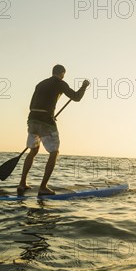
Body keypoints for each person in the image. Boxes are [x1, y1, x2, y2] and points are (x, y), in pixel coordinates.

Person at [18, 64, 89, 196]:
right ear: (62, 73)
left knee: (33, 150)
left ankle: (22, 183)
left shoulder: (40, 84)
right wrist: (84, 86)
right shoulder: (60, 83)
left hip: (32, 119)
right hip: (45, 121)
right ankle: (43, 187)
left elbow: (31, 105)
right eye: (64, 74)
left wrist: (46, 113)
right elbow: (76, 97)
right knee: (54, 152)